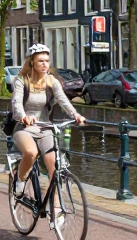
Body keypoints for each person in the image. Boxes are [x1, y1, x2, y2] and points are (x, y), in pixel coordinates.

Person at [10, 44, 86, 199]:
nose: (45, 64)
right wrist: (24, 116)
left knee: (55, 168)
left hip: (45, 128)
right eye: (40, 61)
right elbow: (16, 103)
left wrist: (76, 115)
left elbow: (63, 100)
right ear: (32, 62)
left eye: (47, 60)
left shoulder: (52, 81)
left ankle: (57, 212)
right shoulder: (21, 81)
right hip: (24, 127)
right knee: (31, 152)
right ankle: (20, 180)